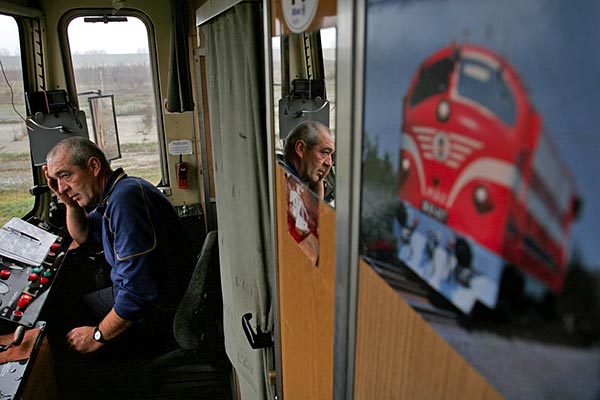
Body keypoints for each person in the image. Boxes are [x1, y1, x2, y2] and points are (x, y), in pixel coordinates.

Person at [43, 136, 193, 355]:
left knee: (67, 328)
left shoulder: (126, 200)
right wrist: (67, 200)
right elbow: (83, 234)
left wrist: (96, 336)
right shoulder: (115, 195)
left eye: (65, 176)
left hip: (158, 311)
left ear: (93, 166)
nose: (63, 187)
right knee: (76, 307)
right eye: (57, 180)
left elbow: (138, 292)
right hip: (144, 294)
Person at [279, 120, 335, 200]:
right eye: (324, 153)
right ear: (300, 149)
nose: (329, 163)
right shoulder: (282, 180)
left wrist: (318, 181)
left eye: (331, 155)